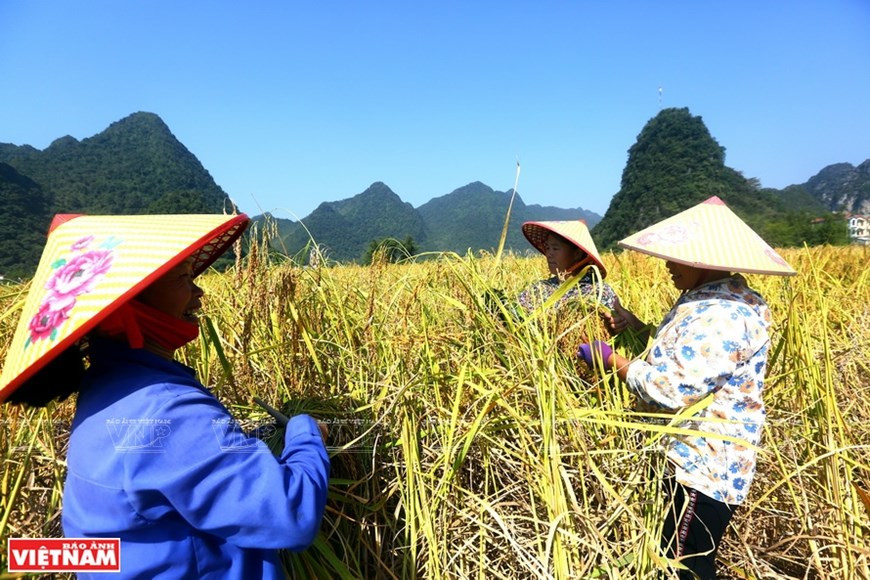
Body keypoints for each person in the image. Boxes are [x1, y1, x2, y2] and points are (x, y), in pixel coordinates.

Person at [0, 213, 331, 579]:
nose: (198, 292)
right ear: (128, 304)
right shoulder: (164, 409)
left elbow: (171, 466)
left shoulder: (108, 384)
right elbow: (291, 514)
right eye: (183, 277)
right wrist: (305, 433)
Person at [576, 196, 795, 579]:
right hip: (690, 457)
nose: (667, 265)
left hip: (701, 464)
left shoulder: (722, 314)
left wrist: (612, 361)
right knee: (676, 555)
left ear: (703, 260)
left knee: (684, 566)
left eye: (676, 257)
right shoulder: (712, 300)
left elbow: (674, 388)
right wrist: (639, 327)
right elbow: (690, 359)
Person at [518, 219, 618, 312]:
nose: (549, 254)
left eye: (555, 248)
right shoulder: (539, 289)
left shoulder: (598, 292)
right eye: (548, 248)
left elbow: (618, 322)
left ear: (577, 254)